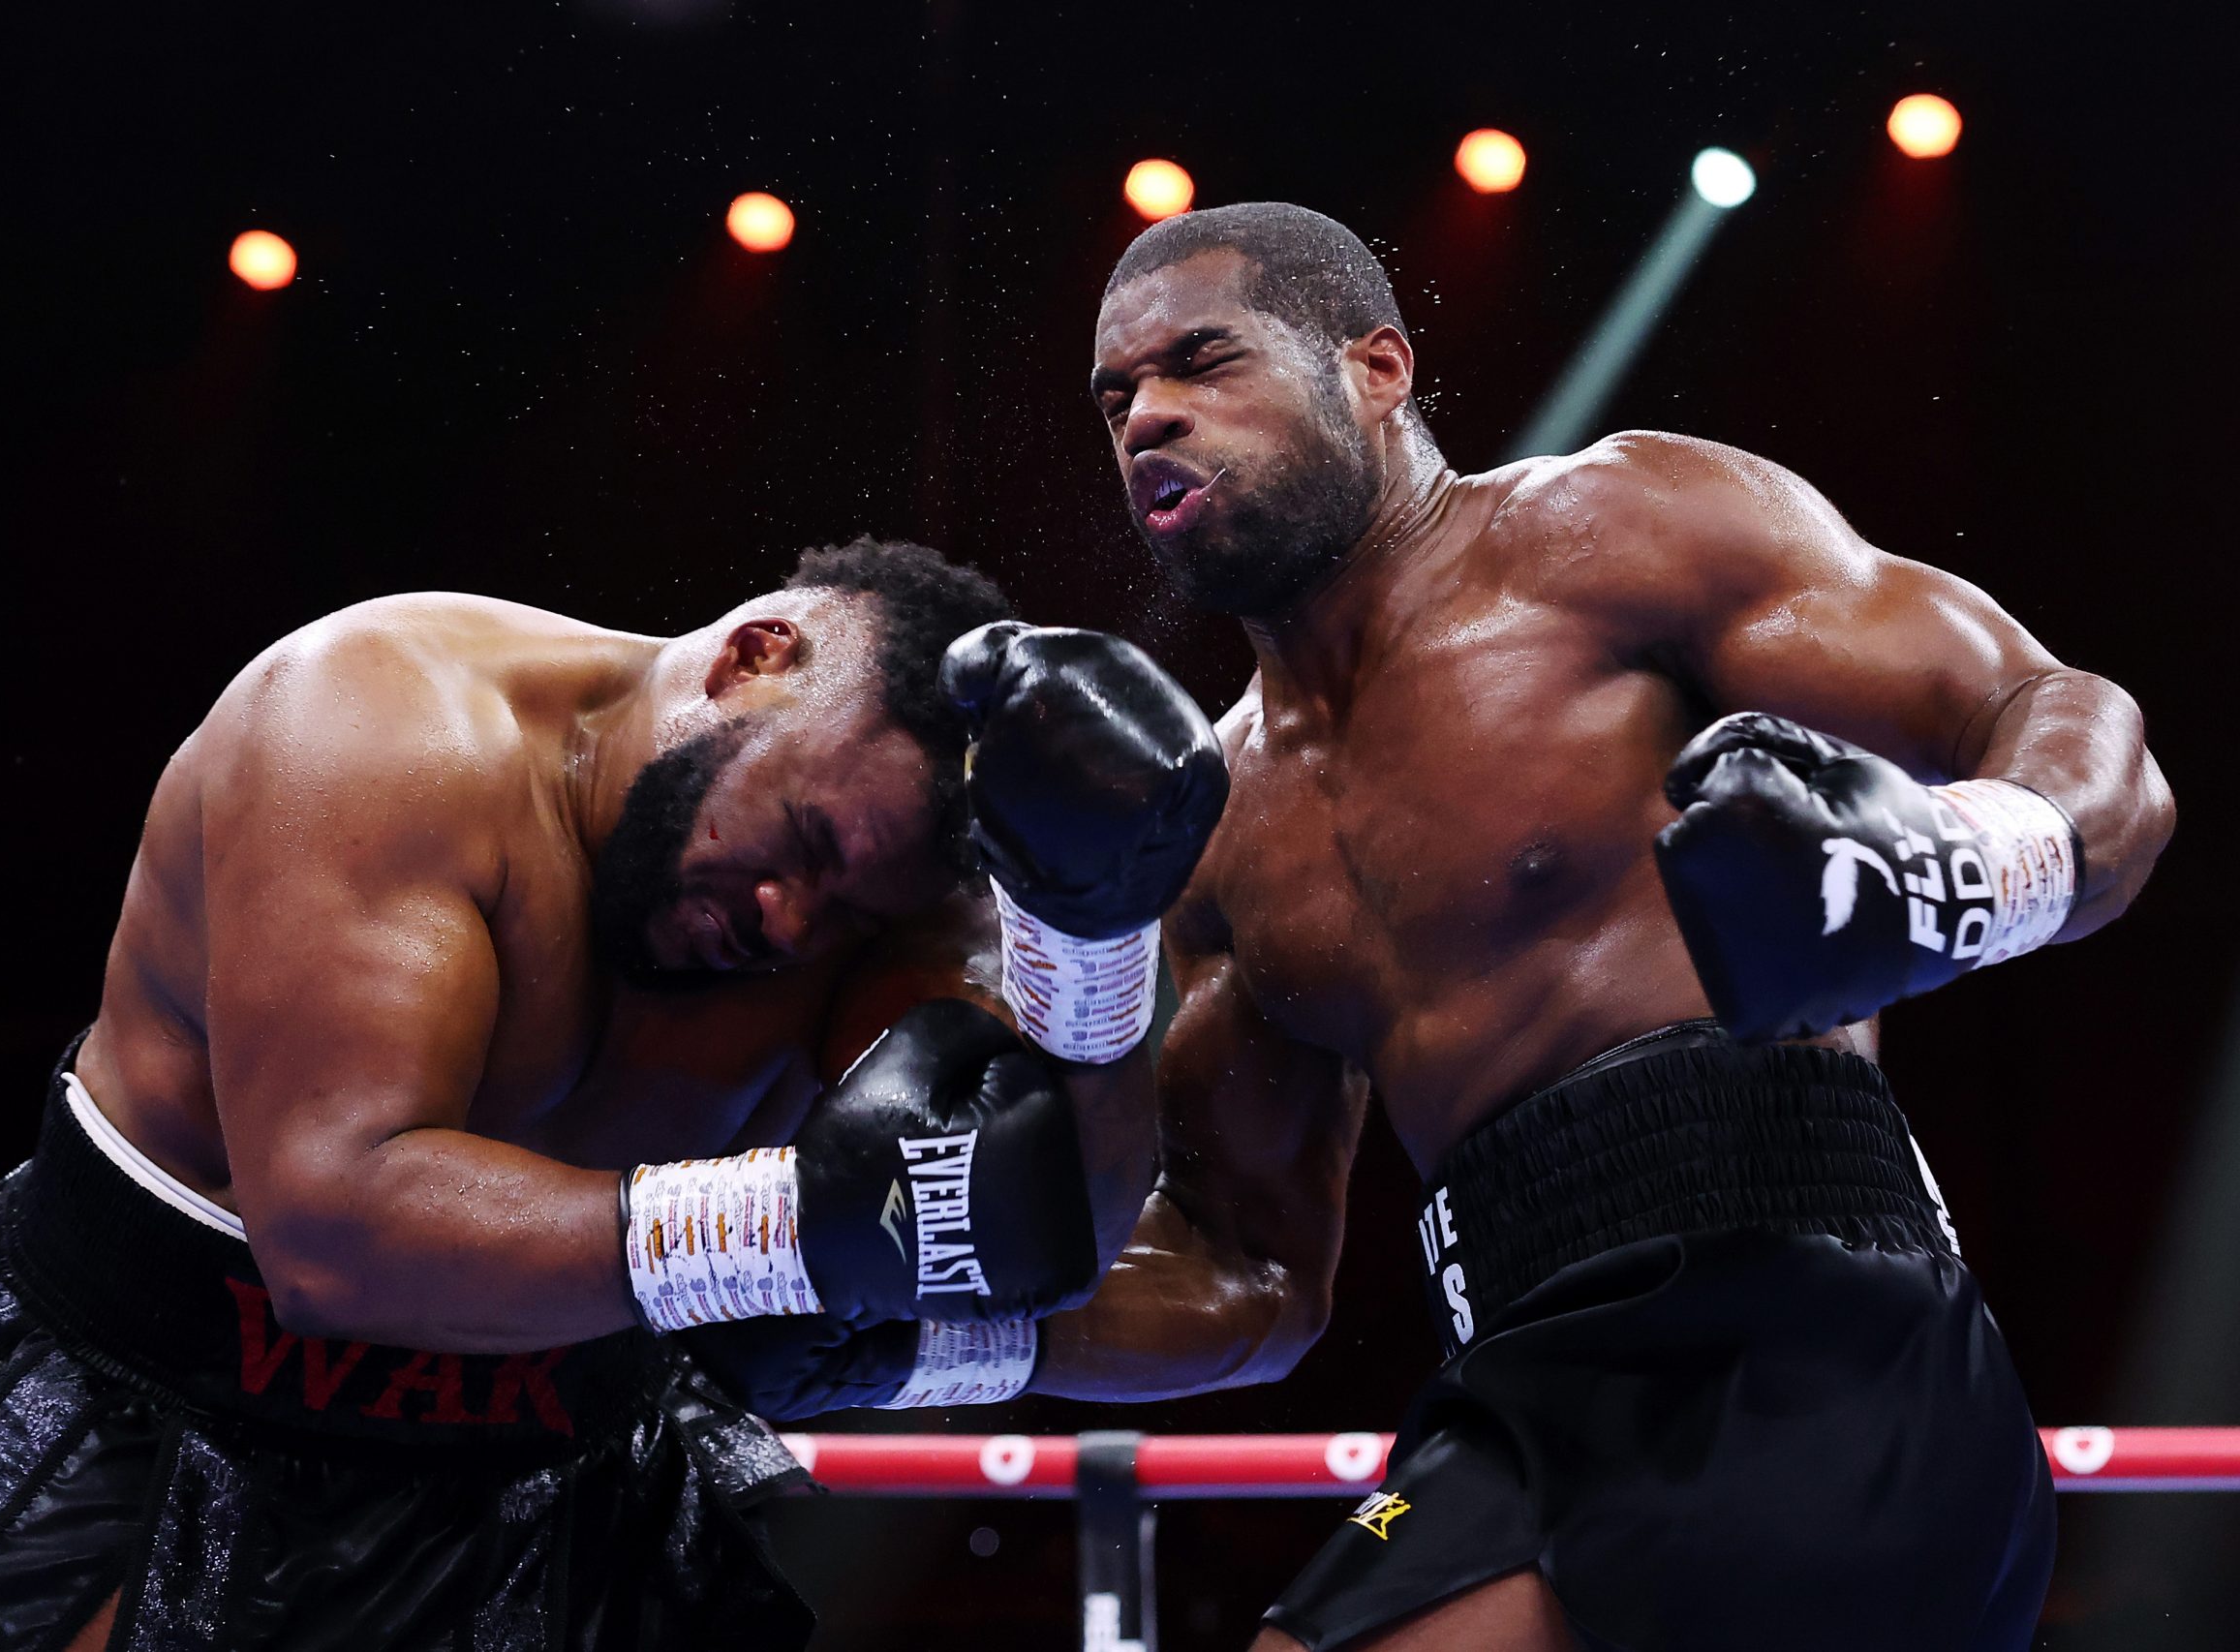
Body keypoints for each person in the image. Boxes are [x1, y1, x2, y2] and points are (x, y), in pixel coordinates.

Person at [728, 205, 2176, 1649]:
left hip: (1814, 1333)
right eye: (1117, 398)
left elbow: (2054, 717)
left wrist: (1949, 868)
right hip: (1520, 1390)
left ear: (1376, 368)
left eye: (1201, 362)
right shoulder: (1215, 829)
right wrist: (929, 1337)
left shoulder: (1615, 531)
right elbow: (1250, 1277)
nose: (1149, 416)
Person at [0, 537, 1226, 1652]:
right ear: (754, 657)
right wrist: (783, 1222)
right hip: (173, 1384)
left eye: (845, 903)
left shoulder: (863, 905)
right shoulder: (380, 728)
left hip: (548, 1443)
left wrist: (1093, 943)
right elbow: (331, 1231)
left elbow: (1046, 1228)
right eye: (798, 838)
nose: (787, 916)